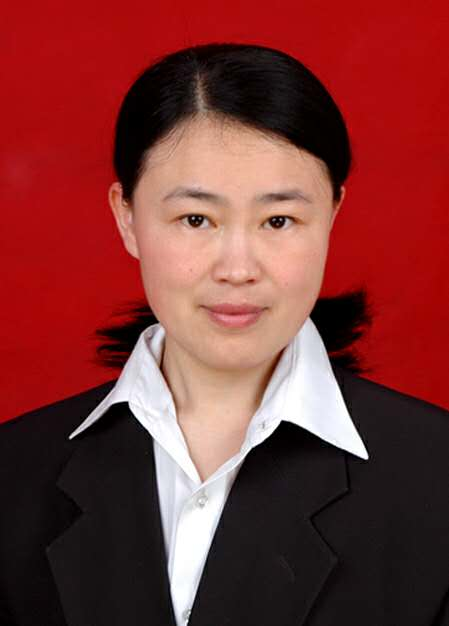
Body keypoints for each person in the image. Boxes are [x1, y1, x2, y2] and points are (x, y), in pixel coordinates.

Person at [0, 42, 448, 626]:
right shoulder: (13, 476)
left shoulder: (436, 475)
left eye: (278, 220)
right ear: (126, 216)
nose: (238, 268)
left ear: (333, 214)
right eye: (196, 219)